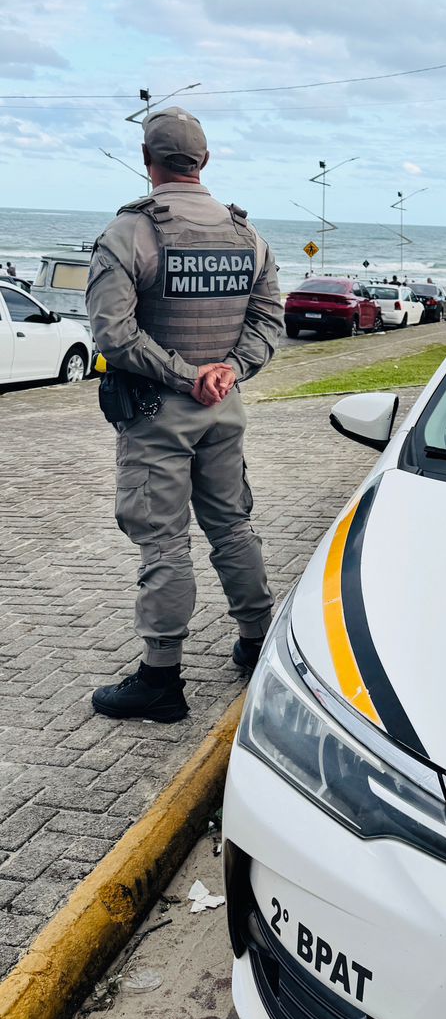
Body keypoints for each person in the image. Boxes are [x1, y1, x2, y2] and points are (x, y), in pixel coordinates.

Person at [86, 108, 284, 723]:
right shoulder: (247, 235)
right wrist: (229, 370)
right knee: (232, 526)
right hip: (223, 409)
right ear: (205, 160)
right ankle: (257, 643)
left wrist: (182, 375)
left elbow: (113, 334)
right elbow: (268, 320)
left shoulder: (130, 232)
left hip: (157, 414)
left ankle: (161, 679)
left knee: (163, 541)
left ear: (147, 161)